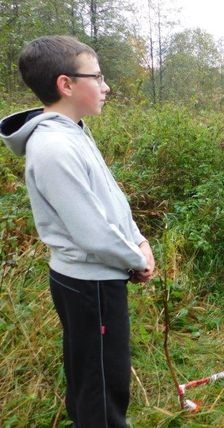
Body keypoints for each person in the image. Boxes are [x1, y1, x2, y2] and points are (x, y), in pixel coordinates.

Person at [0, 35, 155, 427]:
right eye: (97, 77)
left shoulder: (74, 132)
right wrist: (137, 260)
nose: (106, 87)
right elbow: (91, 231)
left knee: (99, 373)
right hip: (90, 286)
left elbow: (109, 198)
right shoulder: (54, 147)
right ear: (66, 84)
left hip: (100, 277)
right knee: (100, 385)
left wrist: (138, 238)